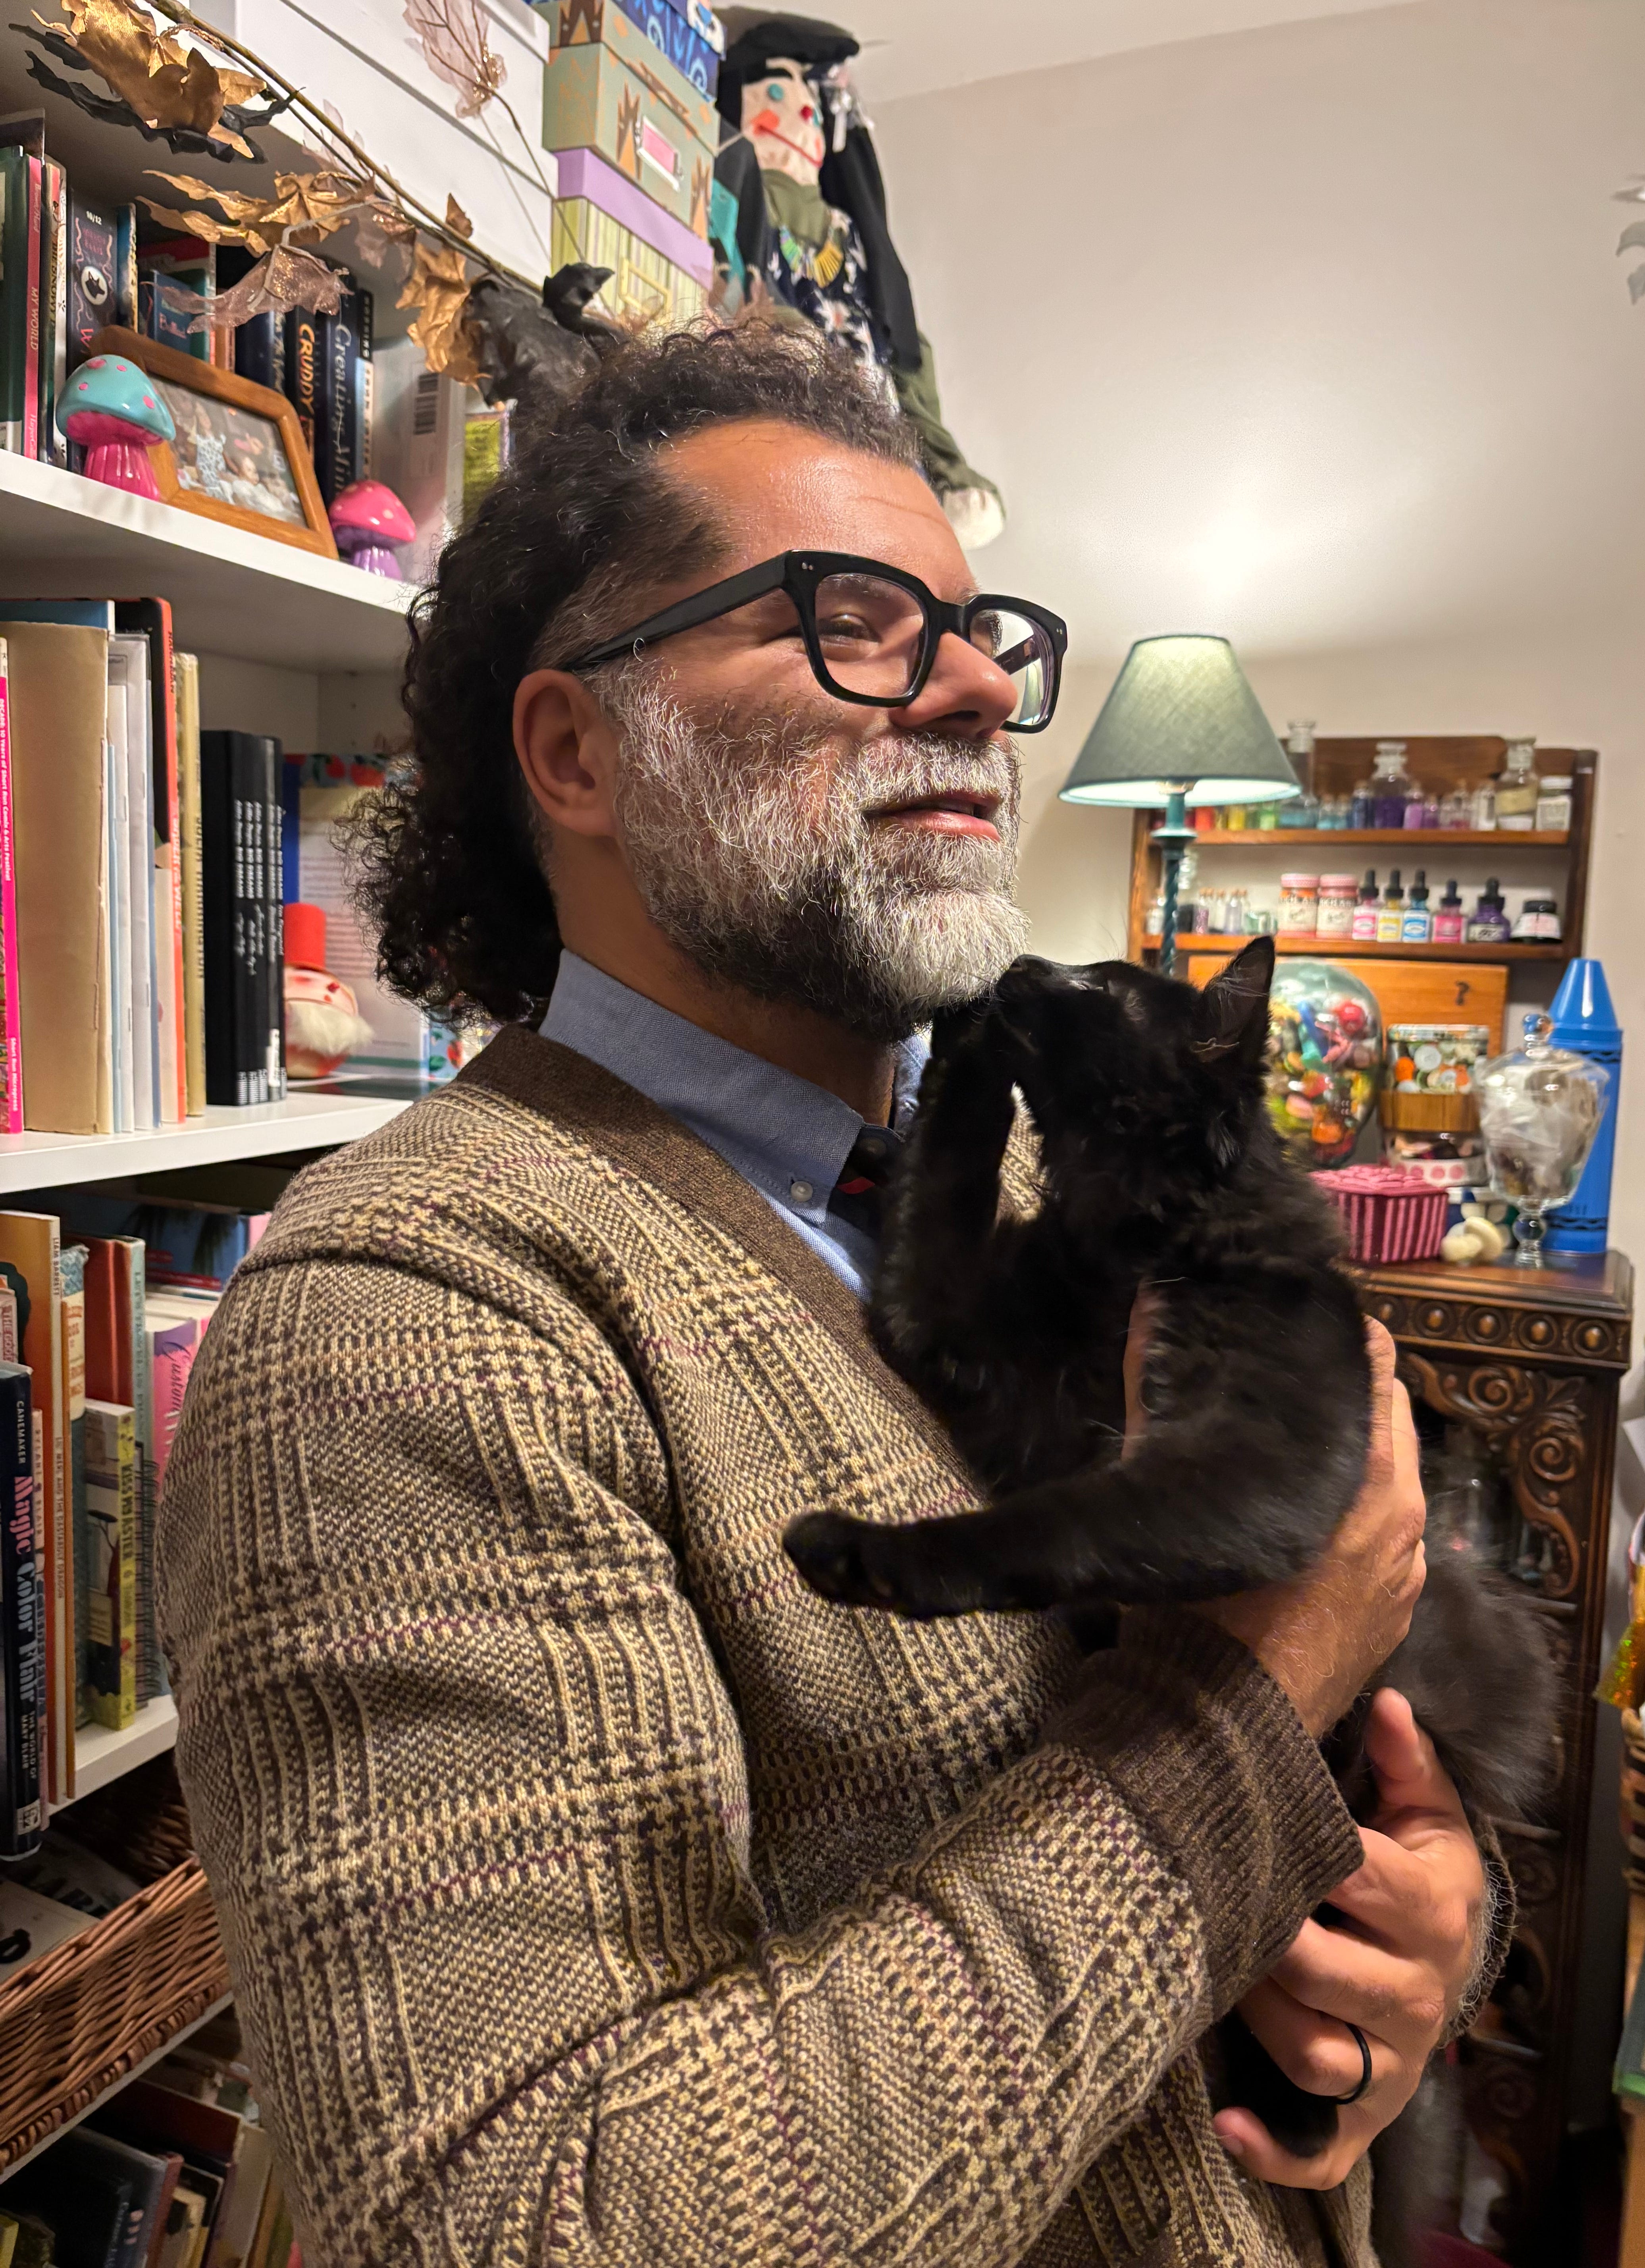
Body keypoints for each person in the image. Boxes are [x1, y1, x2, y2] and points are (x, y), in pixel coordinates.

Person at [159, 320, 1502, 2268]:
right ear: (577, 751)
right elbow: (541, 2228)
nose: (980, 689)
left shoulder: (1051, 1168)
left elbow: (1401, 1722)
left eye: (980, 633)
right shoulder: (404, 1320)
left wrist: (1431, 1928)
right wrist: (1251, 1697)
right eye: (848, 622)